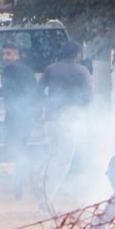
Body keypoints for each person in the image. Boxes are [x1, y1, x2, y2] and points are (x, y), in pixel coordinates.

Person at [38, 41, 93, 210]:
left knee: (53, 155)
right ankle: (47, 197)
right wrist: (79, 110)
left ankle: (41, 183)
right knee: (63, 160)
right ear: (77, 54)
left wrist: (48, 103)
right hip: (70, 120)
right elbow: (89, 97)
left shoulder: (50, 69)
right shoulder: (82, 71)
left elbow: (37, 91)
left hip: (50, 118)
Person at [0, 45, 40, 200]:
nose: (5, 57)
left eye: (8, 54)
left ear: (17, 55)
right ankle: (27, 177)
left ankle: (23, 179)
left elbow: (10, 90)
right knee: (21, 148)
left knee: (16, 149)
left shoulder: (9, 70)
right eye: (3, 54)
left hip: (16, 117)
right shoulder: (27, 70)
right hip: (29, 116)